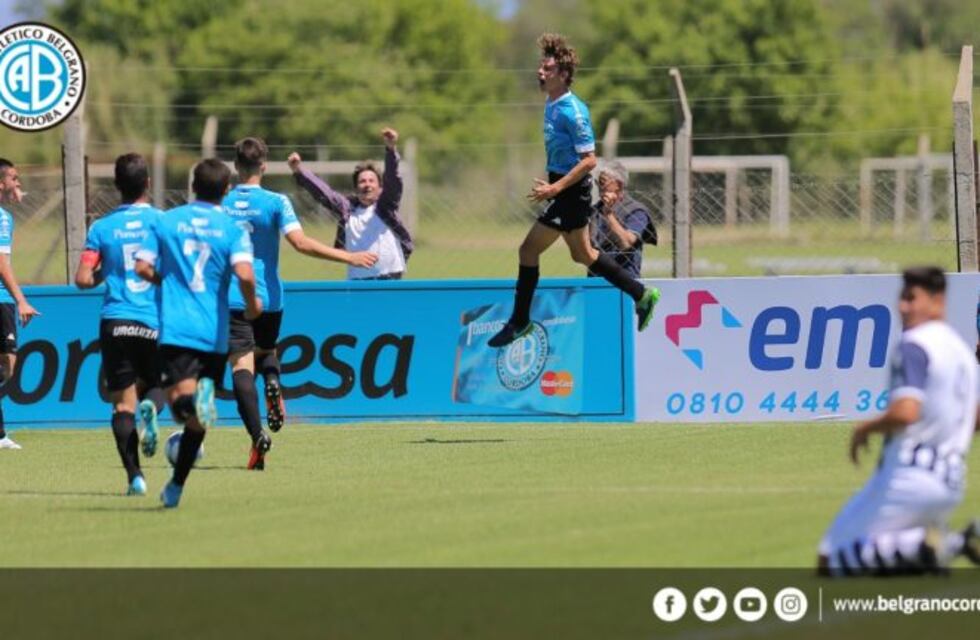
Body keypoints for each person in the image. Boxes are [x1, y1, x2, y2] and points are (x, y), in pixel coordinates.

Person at [487, 34, 659, 348]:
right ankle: (641, 293)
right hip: (565, 189)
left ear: (564, 75)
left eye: (548, 69)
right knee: (584, 254)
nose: (540, 73)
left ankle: (520, 321)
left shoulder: (573, 111)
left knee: (528, 251)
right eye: (541, 67)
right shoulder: (551, 102)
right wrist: (554, 183)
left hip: (572, 192)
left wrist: (555, 187)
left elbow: (590, 160)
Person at [224, 137, 377, 470]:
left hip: (233, 296)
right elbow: (301, 243)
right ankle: (274, 382)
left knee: (240, 366)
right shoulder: (277, 202)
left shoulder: (220, 203)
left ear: (236, 166)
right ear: (263, 166)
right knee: (266, 352)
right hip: (270, 298)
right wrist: (348, 255)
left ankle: (256, 436)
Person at [817, 267, 980, 575]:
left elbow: (907, 411)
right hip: (952, 480)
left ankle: (947, 543)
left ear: (937, 300)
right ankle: (926, 550)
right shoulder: (963, 353)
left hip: (910, 476)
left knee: (829, 560)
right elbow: (972, 418)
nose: (903, 306)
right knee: (896, 564)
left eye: (911, 298)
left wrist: (864, 428)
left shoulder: (914, 344)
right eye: (902, 298)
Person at [135, 159, 261, 509]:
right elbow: (246, 276)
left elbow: (142, 266)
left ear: (192, 185)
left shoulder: (166, 221)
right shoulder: (232, 228)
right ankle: (175, 486)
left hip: (176, 326)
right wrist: (252, 306)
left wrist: (168, 283)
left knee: (180, 408)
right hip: (215, 332)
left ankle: (171, 410)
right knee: (196, 421)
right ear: (225, 190)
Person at [74, 153, 168, 495]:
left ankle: (135, 478)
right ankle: (151, 412)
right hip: (154, 321)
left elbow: (83, 278)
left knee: (121, 405)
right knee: (162, 387)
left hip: (115, 320)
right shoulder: (162, 222)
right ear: (147, 183)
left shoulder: (101, 227)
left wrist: (107, 271)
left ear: (116, 186)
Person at [288, 127, 412, 280]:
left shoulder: (386, 207)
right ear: (356, 187)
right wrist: (298, 170)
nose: (367, 185)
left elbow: (393, 180)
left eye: (372, 181)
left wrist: (391, 149)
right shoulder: (347, 209)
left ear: (380, 187)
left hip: (390, 277)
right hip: (358, 280)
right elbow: (324, 192)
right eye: (362, 181)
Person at [0, 159, 41, 450]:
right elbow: (0, 261)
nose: (18, 184)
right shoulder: (1, 218)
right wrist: (21, 299)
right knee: (6, 368)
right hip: (1, 301)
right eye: (14, 179)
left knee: (6, 369)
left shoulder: (6, 216)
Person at [587, 160, 657, 280]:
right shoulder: (593, 211)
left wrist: (608, 214)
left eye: (603, 182)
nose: (599, 186)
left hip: (626, 280)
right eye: (597, 182)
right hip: (594, 280)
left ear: (618, 185)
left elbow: (627, 244)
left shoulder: (636, 211)